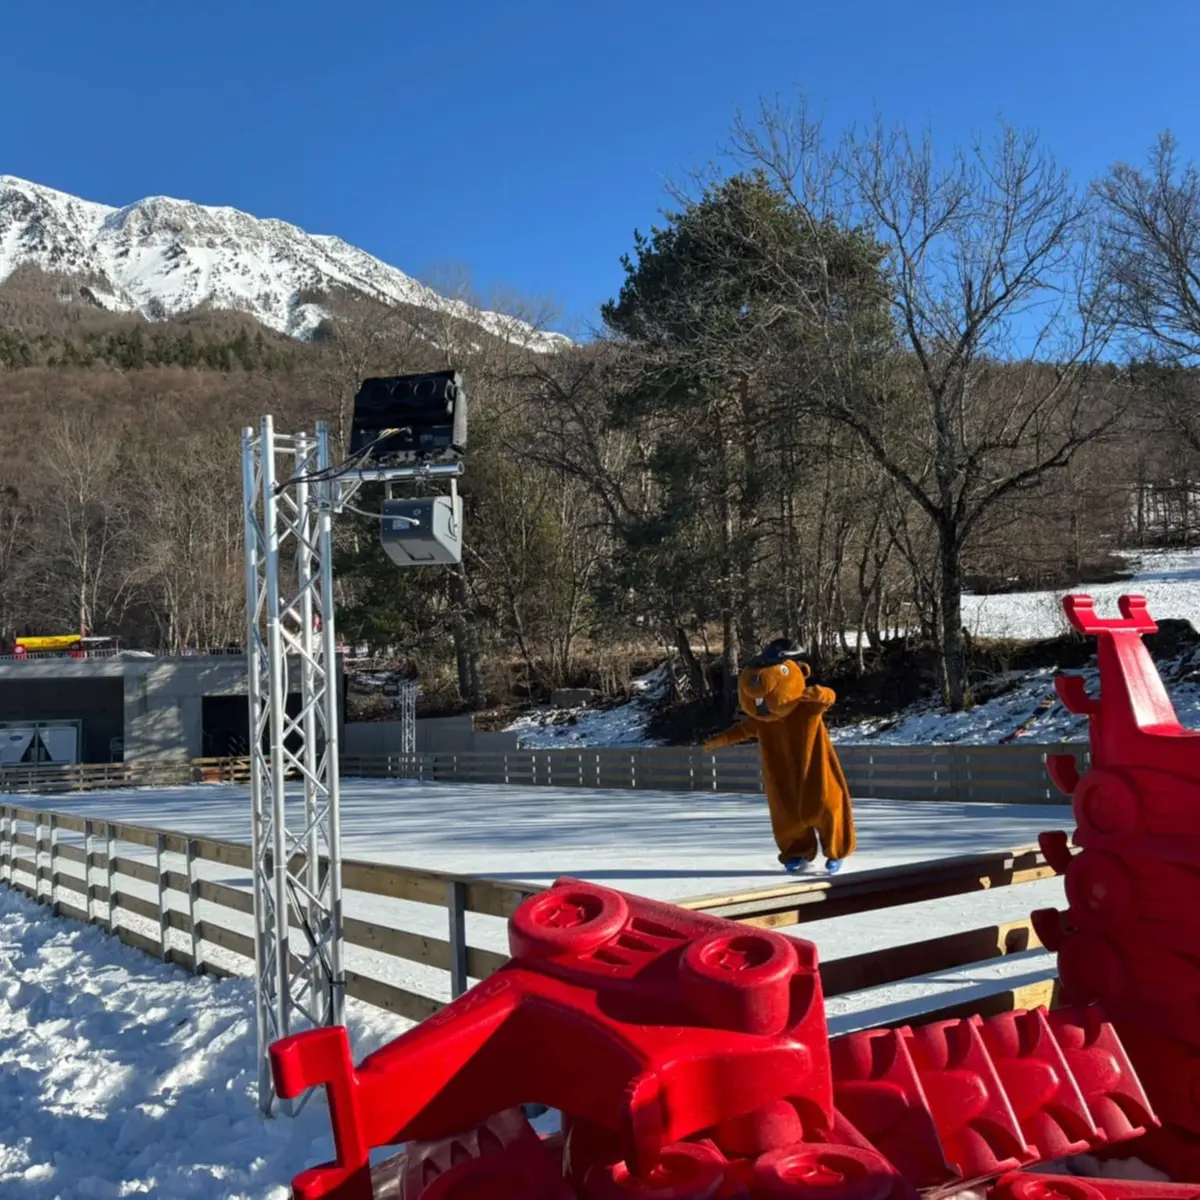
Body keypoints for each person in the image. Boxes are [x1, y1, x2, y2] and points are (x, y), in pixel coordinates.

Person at [703, 638, 856, 874]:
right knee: (787, 815)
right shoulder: (763, 721)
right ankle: (796, 851)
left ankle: (836, 851)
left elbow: (829, 698)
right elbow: (742, 730)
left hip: (815, 769)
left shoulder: (806, 707)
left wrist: (820, 693)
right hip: (780, 775)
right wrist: (719, 740)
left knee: (826, 806)